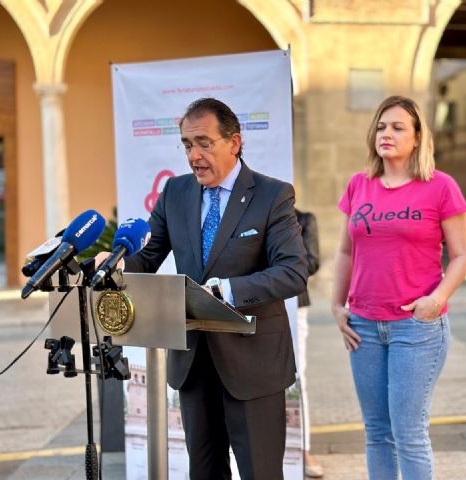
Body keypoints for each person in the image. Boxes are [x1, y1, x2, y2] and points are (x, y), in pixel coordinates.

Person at [121, 97, 308, 480]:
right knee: (204, 473)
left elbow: (293, 271)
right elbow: (149, 255)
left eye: (204, 143)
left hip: (254, 365)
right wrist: (119, 263)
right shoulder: (175, 193)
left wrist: (227, 292)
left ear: (234, 142)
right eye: (188, 144)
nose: (194, 155)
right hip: (194, 362)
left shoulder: (273, 196)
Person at [331, 95, 466, 479]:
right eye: (381, 126)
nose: (386, 134)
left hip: (416, 327)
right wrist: (336, 305)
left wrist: (436, 300)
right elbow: (346, 252)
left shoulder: (440, 186)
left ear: (417, 137)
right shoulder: (359, 185)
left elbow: (462, 257)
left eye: (397, 127)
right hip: (363, 326)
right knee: (377, 432)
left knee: (408, 433)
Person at [294, 208, 323, 478]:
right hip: (252, 304)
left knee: (296, 376)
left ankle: (302, 448)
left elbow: (313, 262)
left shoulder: (303, 219)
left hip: (294, 304)